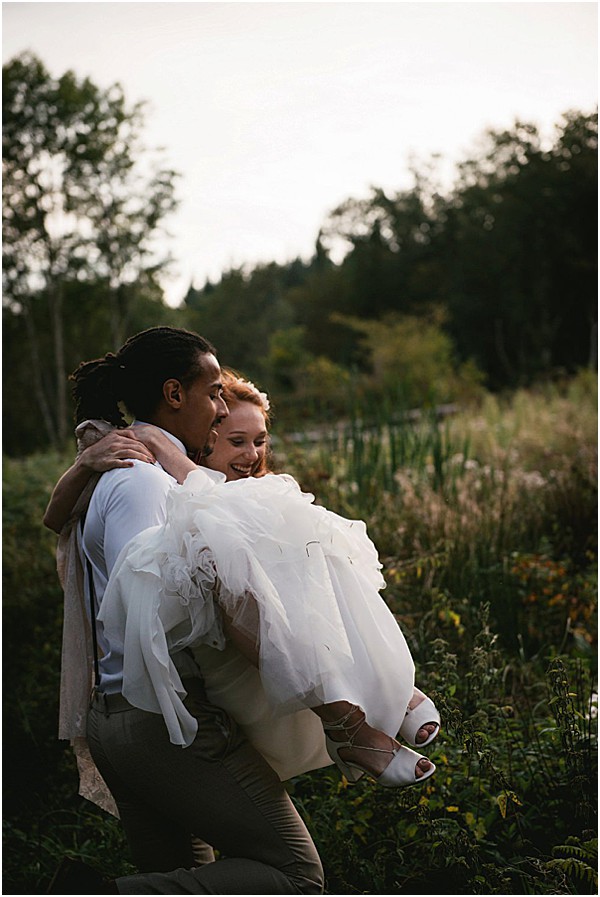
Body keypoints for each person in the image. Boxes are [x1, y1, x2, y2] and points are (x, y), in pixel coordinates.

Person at [47, 367, 440, 793]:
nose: (252, 455)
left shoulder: (249, 494)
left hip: (274, 662)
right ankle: (351, 725)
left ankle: (387, 694)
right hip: (230, 668)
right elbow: (57, 520)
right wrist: (99, 460)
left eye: (259, 441)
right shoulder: (168, 487)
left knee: (311, 539)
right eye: (236, 441)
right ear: (208, 439)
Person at [47, 327, 325, 895]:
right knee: (296, 873)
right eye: (214, 393)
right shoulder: (141, 482)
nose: (222, 409)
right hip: (162, 718)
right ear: (174, 394)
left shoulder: (127, 470)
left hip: (122, 714)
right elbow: (147, 604)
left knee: (187, 877)